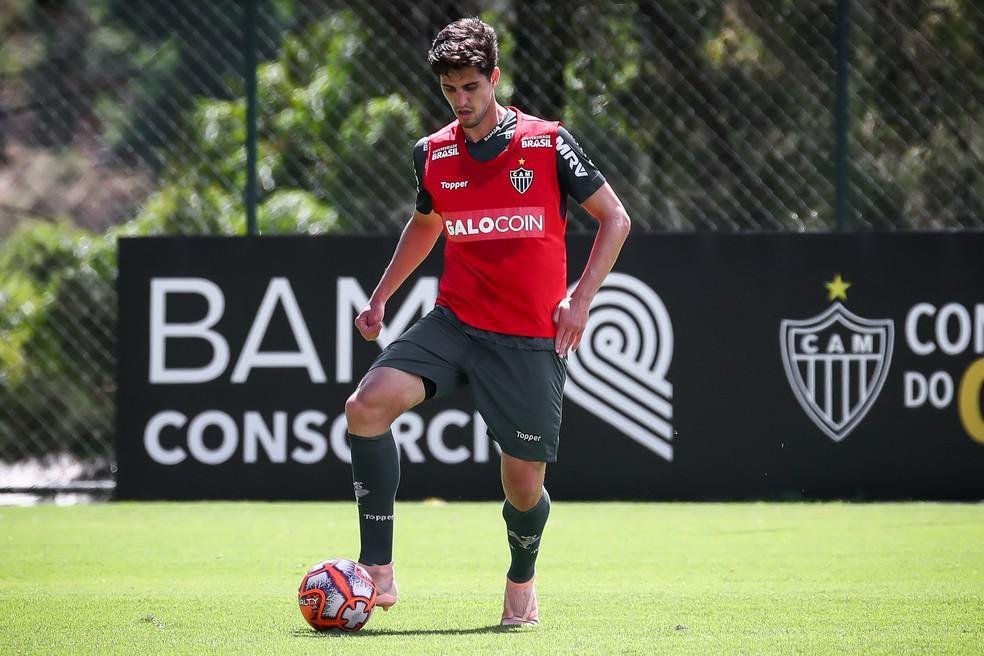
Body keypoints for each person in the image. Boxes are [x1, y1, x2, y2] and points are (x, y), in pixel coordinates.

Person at [344, 17, 631, 626]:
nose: (462, 101)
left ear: (494, 78)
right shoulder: (433, 153)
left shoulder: (549, 143)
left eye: (472, 87)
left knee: (523, 488)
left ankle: (521, 581)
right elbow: (427, 224)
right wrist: (381, 298)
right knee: (365, 407)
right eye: (451, 90)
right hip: (456, 323)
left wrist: (579, 299)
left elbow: (615, 219)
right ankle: (377, 573)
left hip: (528, 338)